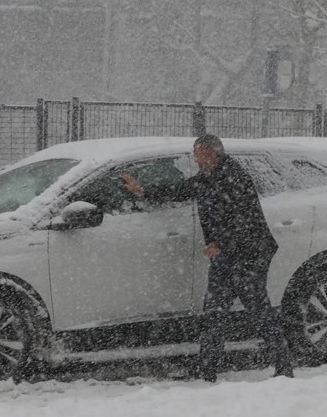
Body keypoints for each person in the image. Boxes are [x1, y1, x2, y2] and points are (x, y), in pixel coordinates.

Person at [120, 134, 294, 381]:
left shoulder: (234, 177)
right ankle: (207, 369)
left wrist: (220, 244)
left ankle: (284, 367)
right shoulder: (209, 176)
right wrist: (143, 190)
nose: (195, 159)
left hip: (249, 255)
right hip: (228, 256)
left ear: (211, 155)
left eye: (198, 154)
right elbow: (181, 189)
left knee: (258, 311)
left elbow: (244, 220)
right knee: (214, 311)